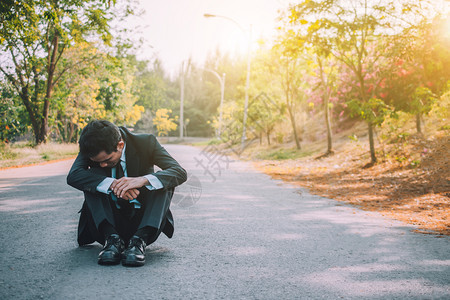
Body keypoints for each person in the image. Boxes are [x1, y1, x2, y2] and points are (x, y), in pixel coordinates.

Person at [67, 120, 187, 267]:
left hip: (143, 222)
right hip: (105, 225)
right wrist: (112, 184)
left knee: (163, 181)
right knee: (92, 177)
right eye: (97, 161)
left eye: (107, 160)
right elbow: (73, 176)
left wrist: (142, 180)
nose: (102, 164)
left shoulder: (146, 142)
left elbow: (179, 172)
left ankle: (138, 242)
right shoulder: (92, 146)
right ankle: (111, 240)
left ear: (120, 145)